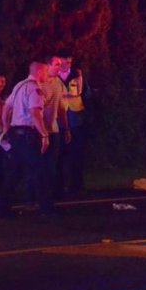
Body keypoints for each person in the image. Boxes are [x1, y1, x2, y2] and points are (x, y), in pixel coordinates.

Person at [0, 60, 54, 218]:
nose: (47, 74)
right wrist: (44, 134)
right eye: (46, 71)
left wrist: (7, 126)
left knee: (15, 172)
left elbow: (6, 107)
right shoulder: (34, 88)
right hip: (27, 135)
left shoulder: (19, 85)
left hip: (16, 134)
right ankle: (46, 209)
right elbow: (35, 113)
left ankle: (2, 207)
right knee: (39, 170)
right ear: (39, 72)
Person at [54, 52, 93, 196]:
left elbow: (86, 95)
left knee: (77, 155)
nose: (66, 65)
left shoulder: (77, 77)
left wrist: (87, 117)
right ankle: (58, 187)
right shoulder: (53, 78)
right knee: (59, 156)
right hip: (59, 121)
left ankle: (77, 186)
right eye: (63, 62)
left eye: (69, 62)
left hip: (76, 120)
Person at [42, 55, 66, 198]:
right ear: (48, 65)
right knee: (39, 164)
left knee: (52, 164)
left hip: (54, 129)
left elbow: (62, 107)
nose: (60, 67)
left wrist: (66, 127)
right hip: (40, 130)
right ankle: (33, 197)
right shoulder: (40, 82)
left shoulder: (59, 83)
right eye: (57, 64)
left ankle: (50, 194)